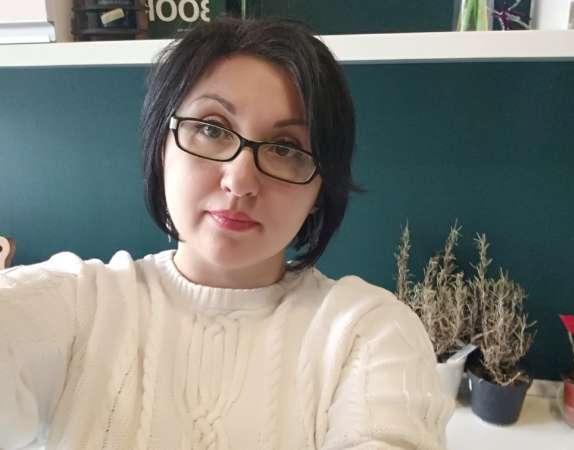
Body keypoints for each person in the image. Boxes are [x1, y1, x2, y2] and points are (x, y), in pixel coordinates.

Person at [0, 17, 454, 450]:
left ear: (320, 188)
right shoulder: (79, 302)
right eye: (211, 128)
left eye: (285, 148)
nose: (240, 180)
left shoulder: (368, 332)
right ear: (161, 147)